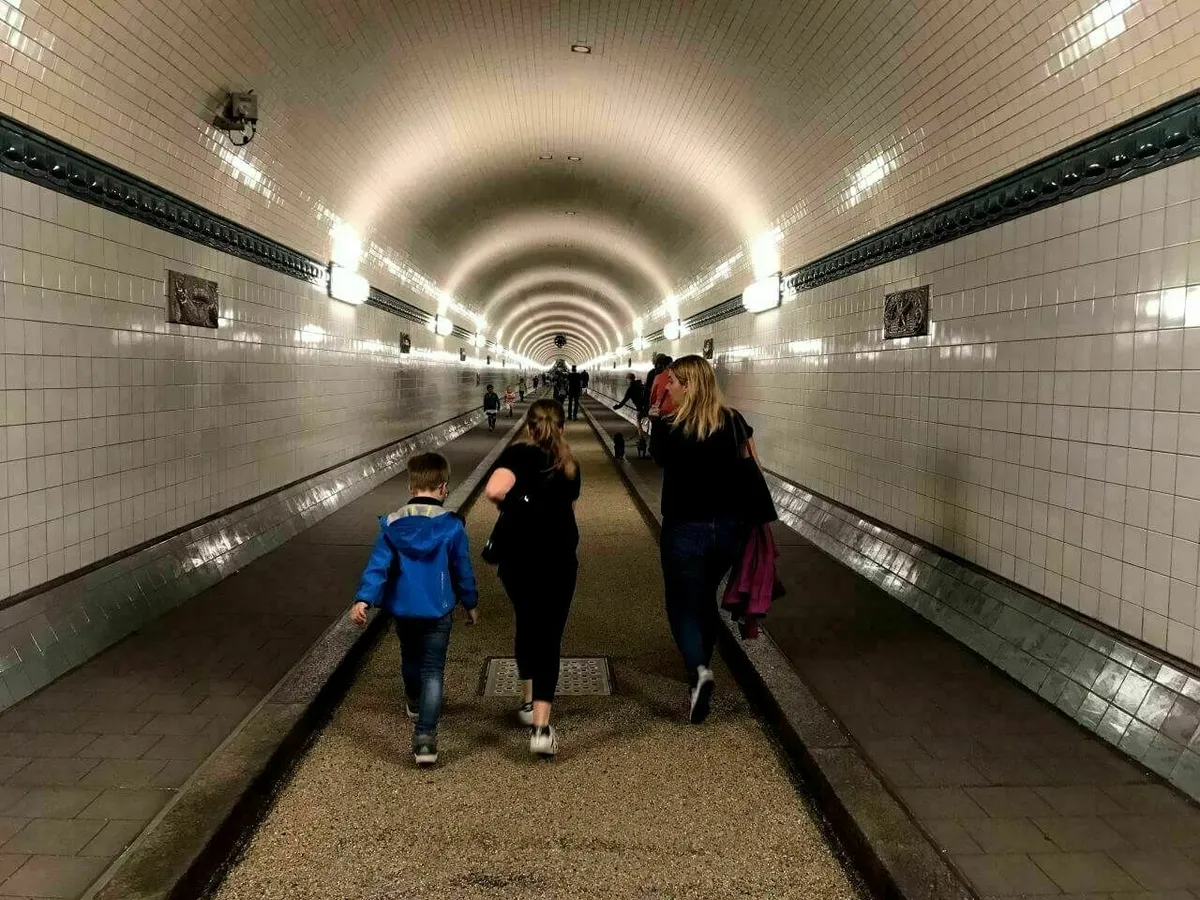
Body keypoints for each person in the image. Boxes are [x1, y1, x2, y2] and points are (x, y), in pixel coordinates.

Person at [350, 453, 478, 766]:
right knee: (433, 669)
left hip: (403, 610)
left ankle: (414, 701)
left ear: (410, 486)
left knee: (410, 657)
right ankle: (425, 739)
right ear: (444, 488)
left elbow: (377, 567)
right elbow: (462, 568)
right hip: (438, 610)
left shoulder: (392, 526)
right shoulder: (451, 528)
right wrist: (470, 603)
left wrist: (363, 599)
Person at [650, 355, 757, 725]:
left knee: (681, 603)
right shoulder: (734, 421)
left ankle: (698, 672)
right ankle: (702, 671)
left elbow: (659, 460)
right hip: (728, 529)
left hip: (685, 528)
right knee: (705, 598)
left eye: (675, 382)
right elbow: (752, 468)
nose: (670, 388)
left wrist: (656, 418)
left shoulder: (671, 427)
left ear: (690, 385)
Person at [484, 399, 581, 758]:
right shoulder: (570, 465)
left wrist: (512, 507)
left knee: (526, 623)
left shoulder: (517, 456)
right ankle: (542, 727)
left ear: (528, 427)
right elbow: (570, 512)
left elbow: (494, 490)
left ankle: (526, 701)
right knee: (549, 637)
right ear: (562, 428)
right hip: (558, 560)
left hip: (518, 559)